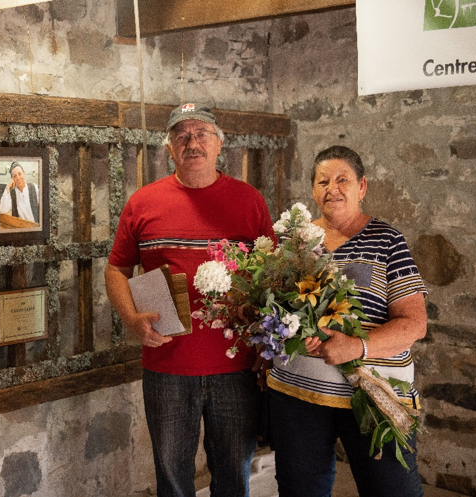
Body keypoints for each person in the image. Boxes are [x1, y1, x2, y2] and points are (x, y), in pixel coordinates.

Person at [105, 103, 276, 497]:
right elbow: (116, 269)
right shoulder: (142, 203)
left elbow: (272, 276)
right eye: (181, 136)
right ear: (169, 148)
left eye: (201, 134)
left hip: (236, 366)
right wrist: (131, 318)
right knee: (173, 479)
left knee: (233, 477)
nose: (192, 142)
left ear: (219, 144)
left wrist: (267, 345)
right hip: (167, 364)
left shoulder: (249, 200)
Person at [265, 145, 427, 497]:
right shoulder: (294, 242)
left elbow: (414, 324)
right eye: (323, 181)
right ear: (312, 190)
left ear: (362, 187)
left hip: (373, 394)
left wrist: (356, 346)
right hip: (298, 397)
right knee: (299, 490)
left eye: (343, 180)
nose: (332, 189)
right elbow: (274, 309)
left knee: (391, 490)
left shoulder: (387, 241)